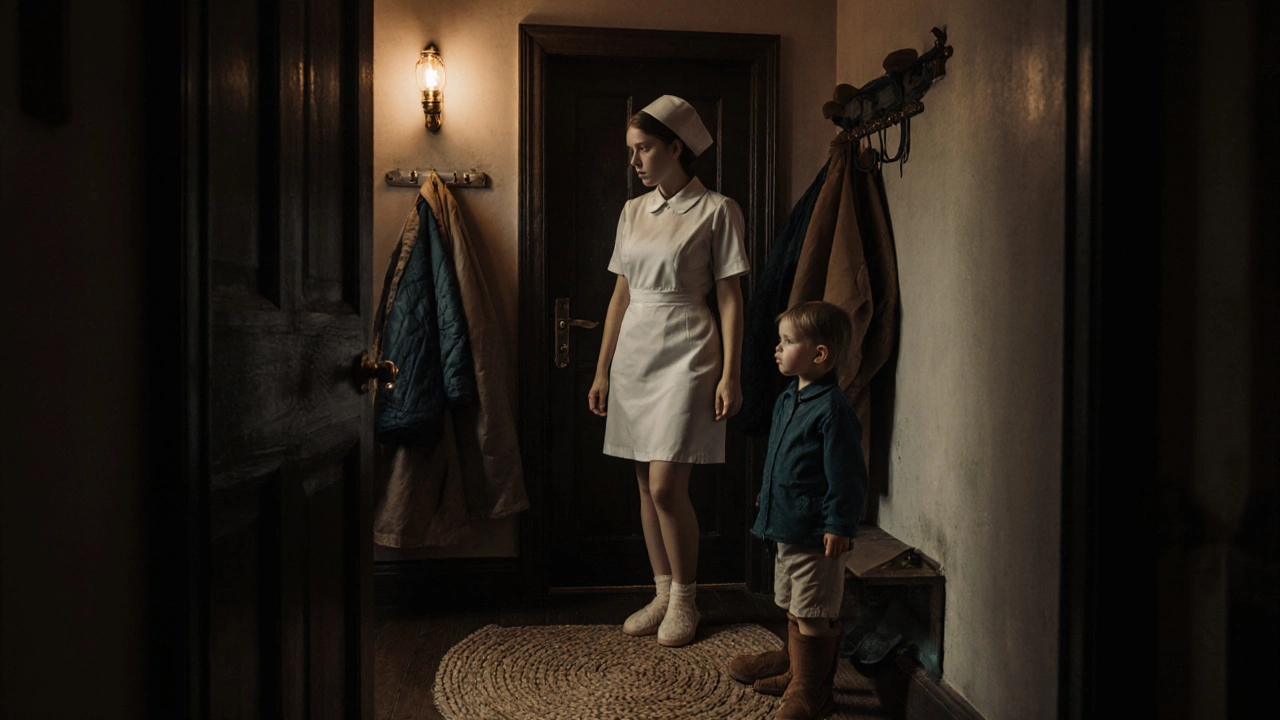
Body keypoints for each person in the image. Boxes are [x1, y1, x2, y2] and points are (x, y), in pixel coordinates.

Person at [588, 95, 750, 648]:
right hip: (636, 352)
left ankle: (686, 598)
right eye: (632, 150)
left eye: (645, 149)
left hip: (689, 350)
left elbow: (730, 299)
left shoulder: (718, 210)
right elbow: (620, 296)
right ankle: (661, 591)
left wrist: (731, 374)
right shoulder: (632, 212)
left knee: (665, 485)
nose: (635, 161)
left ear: (676, 147)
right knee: (642, 481)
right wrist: (602, 369)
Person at [727, 301, 869, 720]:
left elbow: (847, 476)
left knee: (813, 610)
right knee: (793, 602)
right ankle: (796, 669)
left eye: (788, 342)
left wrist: (839, 524)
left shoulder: (833, 411)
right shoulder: (789, 398)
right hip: (787, 525)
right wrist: (768, 494)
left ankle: (813, 691)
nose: (777, 348)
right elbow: (781, 457)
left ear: (819, 354)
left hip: (814, 532)